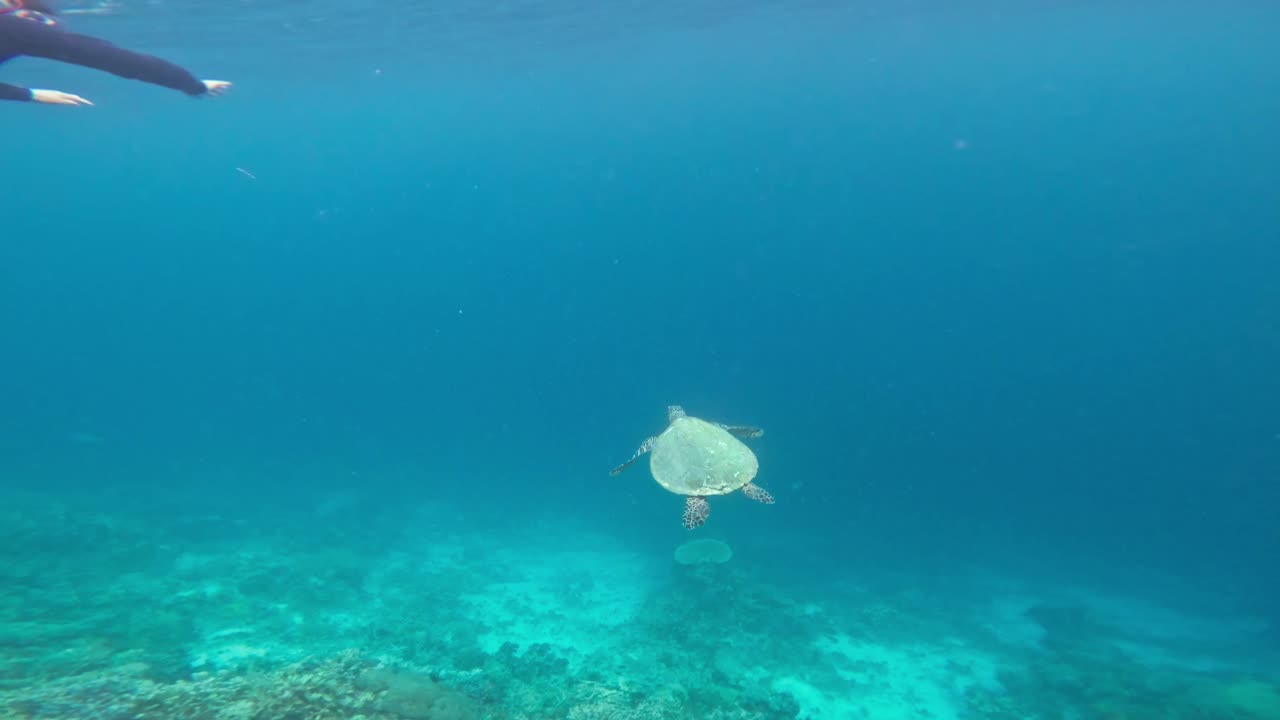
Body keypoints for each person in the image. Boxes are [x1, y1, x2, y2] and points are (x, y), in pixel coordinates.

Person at [0, 0, 230, 106]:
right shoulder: (20, 29)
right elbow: (113, 59)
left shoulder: (15, 30)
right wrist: (192, 85)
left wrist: (29, 94)